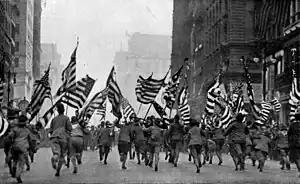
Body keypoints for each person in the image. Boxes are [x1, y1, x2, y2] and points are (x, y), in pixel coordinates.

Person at [7, 114, 33, 183]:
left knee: (15, 161)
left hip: (14, 147)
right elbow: (30, 141)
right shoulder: (27, 131)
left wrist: (12, 141)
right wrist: (31, 148)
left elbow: (10, 137)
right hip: (23, 148)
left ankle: (13, 169)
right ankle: (18, 175)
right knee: (21, 164)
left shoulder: (15, 129)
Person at [49, 103, 72, 177]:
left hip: (54, 138)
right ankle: (58, 171)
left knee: (56, 154)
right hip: (63, 138)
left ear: (57, 111)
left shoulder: (53, 119)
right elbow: (70, 128)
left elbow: (51, 130)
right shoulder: (66, 118)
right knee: (62, 155)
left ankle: (54, 158)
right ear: (64, 110)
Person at [288, 108, 300, 177]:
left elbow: (289, 134)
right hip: (295, 143)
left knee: (297, 158)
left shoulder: (293, 125)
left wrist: (290, 142)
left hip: (295, 144)